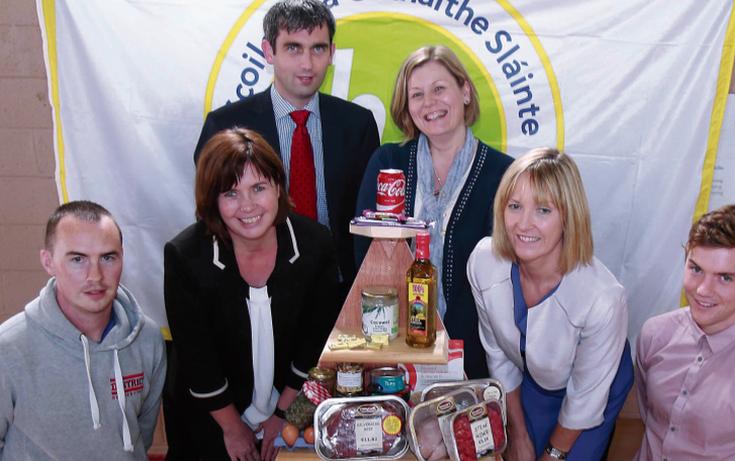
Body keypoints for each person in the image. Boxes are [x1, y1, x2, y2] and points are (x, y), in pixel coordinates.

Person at [164, 128, 340, 461]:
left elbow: (315, 345)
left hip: (292, 406)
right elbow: (197, 359)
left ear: (277, 187)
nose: (247, 206)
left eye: (258, 188)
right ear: (212, 201)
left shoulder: (315, 245)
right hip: (212, 417)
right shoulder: (185, 256)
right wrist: (232, 428)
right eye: (231, 193)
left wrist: (285, 415)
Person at [194, 0, 379, 296]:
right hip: (253, 290)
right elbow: (210, 220)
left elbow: (370, 220)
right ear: (269, 52)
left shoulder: (358, 125)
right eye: (293, 48)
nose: (307, 63)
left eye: (317, 48)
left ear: (332, 53)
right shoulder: (225, 127)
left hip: (339, 290)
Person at [356, 45, 513, 379]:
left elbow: (499, 276)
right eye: (417, 94)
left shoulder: (503, 175)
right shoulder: (388, 164)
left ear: (465, 91)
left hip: (473, 354)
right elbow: (366, 258)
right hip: (391, 348)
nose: (429, 103)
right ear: (407, 106)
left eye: (439, 89)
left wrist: (444, 345)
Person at [467, 149, 633, 461]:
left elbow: (585, 400)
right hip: (533, 376)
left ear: (569, 217)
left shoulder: (603, 298)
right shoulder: (483, 262)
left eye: (543, 210)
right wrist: (517, 434)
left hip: (594, 386)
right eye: (515, 206)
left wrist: (552, 454)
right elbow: (499, 355)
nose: (523, 224)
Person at [0, 201, 166, 460]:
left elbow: (139, 436)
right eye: (78, 259)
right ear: (48, 261)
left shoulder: (147, 339)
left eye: (108, 257)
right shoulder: (8, 348)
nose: (95, 276)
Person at [635, 204, 735, 460]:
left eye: (725, 277)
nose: (702, 290)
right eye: (696, 269)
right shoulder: (654, 334)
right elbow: (652, 418)